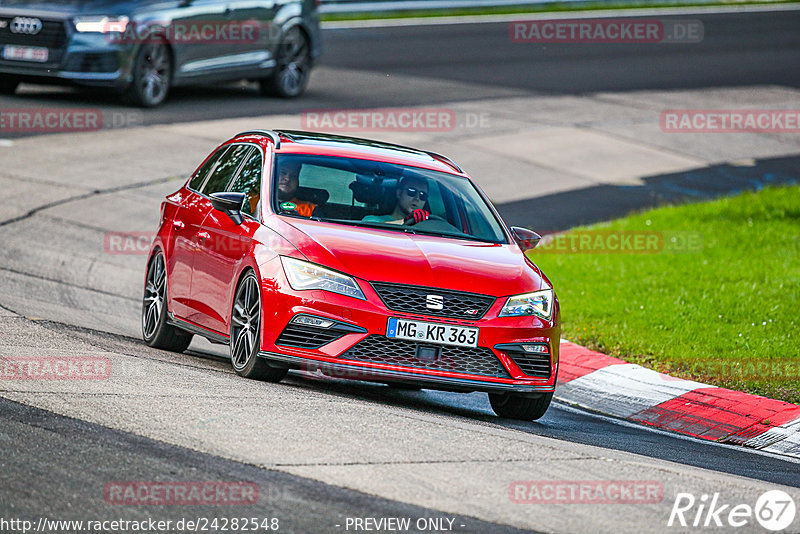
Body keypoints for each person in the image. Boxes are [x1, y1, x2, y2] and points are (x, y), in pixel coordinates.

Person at [362, 175, 431, 225]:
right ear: (399, 193)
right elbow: (369, 230)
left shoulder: (428, 226)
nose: (417, 198)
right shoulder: (372, 220)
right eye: (412, 191)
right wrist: (407, 221)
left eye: (423, 195)